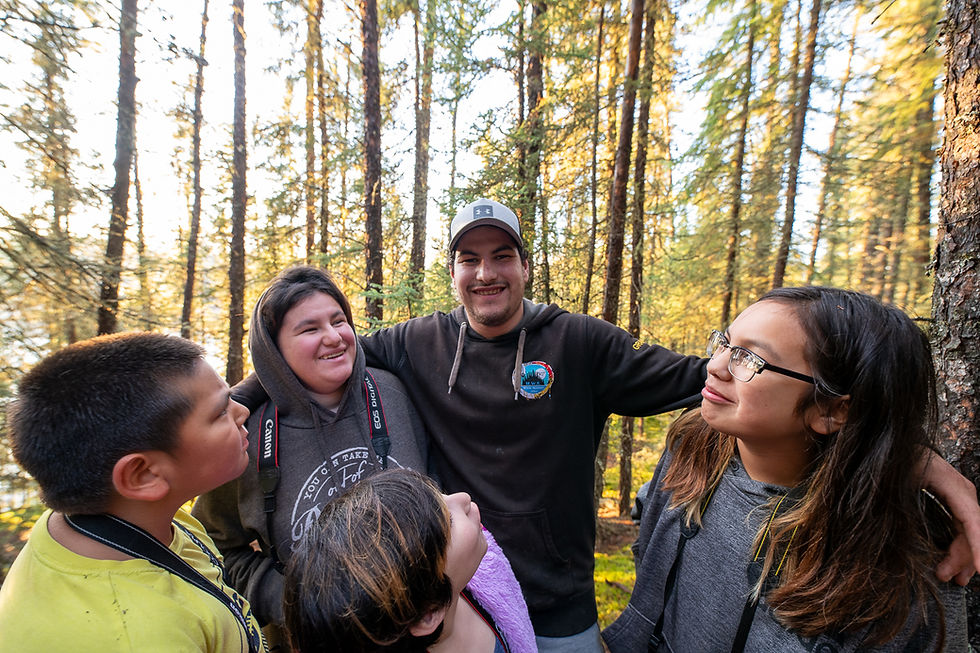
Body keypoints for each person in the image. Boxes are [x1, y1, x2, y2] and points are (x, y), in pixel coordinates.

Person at [235, 199, 980, 653]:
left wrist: (913, 459)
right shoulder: (414, 343)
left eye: (502, 256)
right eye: (468, 258)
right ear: (453, 269)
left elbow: (720, 384)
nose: (485, 272)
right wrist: (235, 402)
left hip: (561, 604)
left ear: (526, 265)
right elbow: (316, 352)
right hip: (466, 594)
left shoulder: (582, 344)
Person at [602, 287, 969, 652]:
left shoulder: (898, 559)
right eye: (724, 343)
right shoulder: (692, 448)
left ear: (832, 410)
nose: (714, 366)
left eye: (748, 358)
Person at [192, 266, 427, 637]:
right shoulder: (244, 435)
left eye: (338, 321)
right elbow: (210, 547)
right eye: (310, 329)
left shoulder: (393, 393)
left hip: (425, 632)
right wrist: (290, 600)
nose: (333, 338)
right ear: (274, 350)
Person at [0, 332, 266, 653]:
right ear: (144, 475)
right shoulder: (141, 638)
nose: (242, 412)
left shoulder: (109, 517)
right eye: (220, 412)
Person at [282, 468, 537, 653]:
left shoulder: (462, 585)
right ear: (428, 614)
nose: (462, 498)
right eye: (447, 522)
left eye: (440, 495)